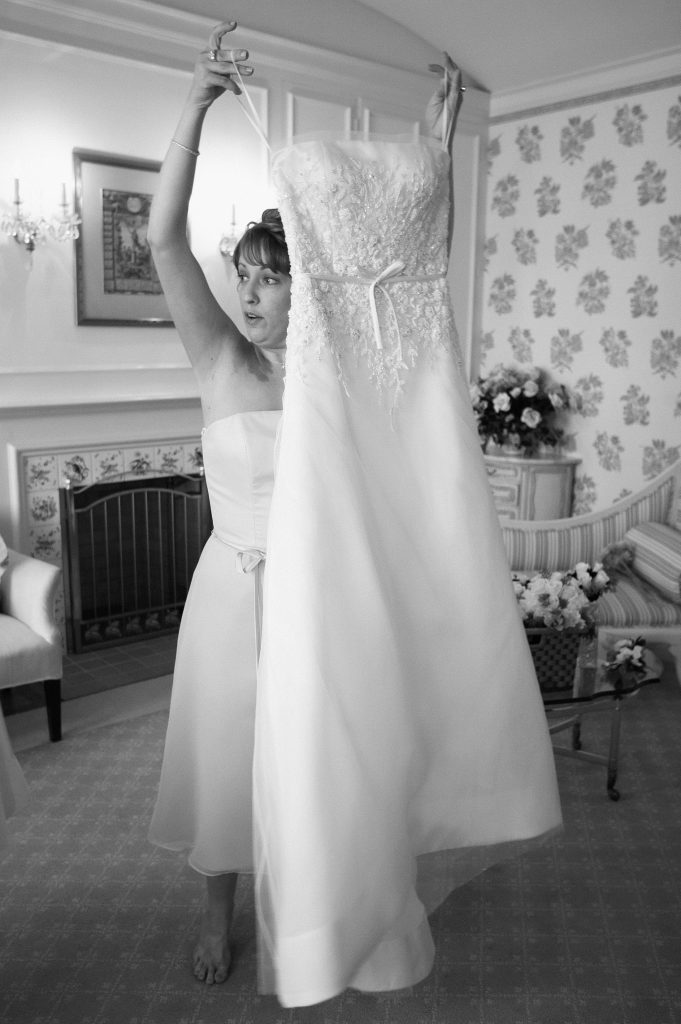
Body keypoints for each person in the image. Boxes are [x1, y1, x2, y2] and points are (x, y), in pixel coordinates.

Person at [146, 27, 291, 986]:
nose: (248, 293)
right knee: (228, 756)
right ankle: (216, 914)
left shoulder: (331, 381)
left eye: (268, 278)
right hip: (232, 590)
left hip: (313, 593)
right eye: (242, 275)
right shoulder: (219, 362)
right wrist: (196, 106)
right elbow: (160, 239)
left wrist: (439, 144)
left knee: (308, 759)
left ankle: (313, 900)